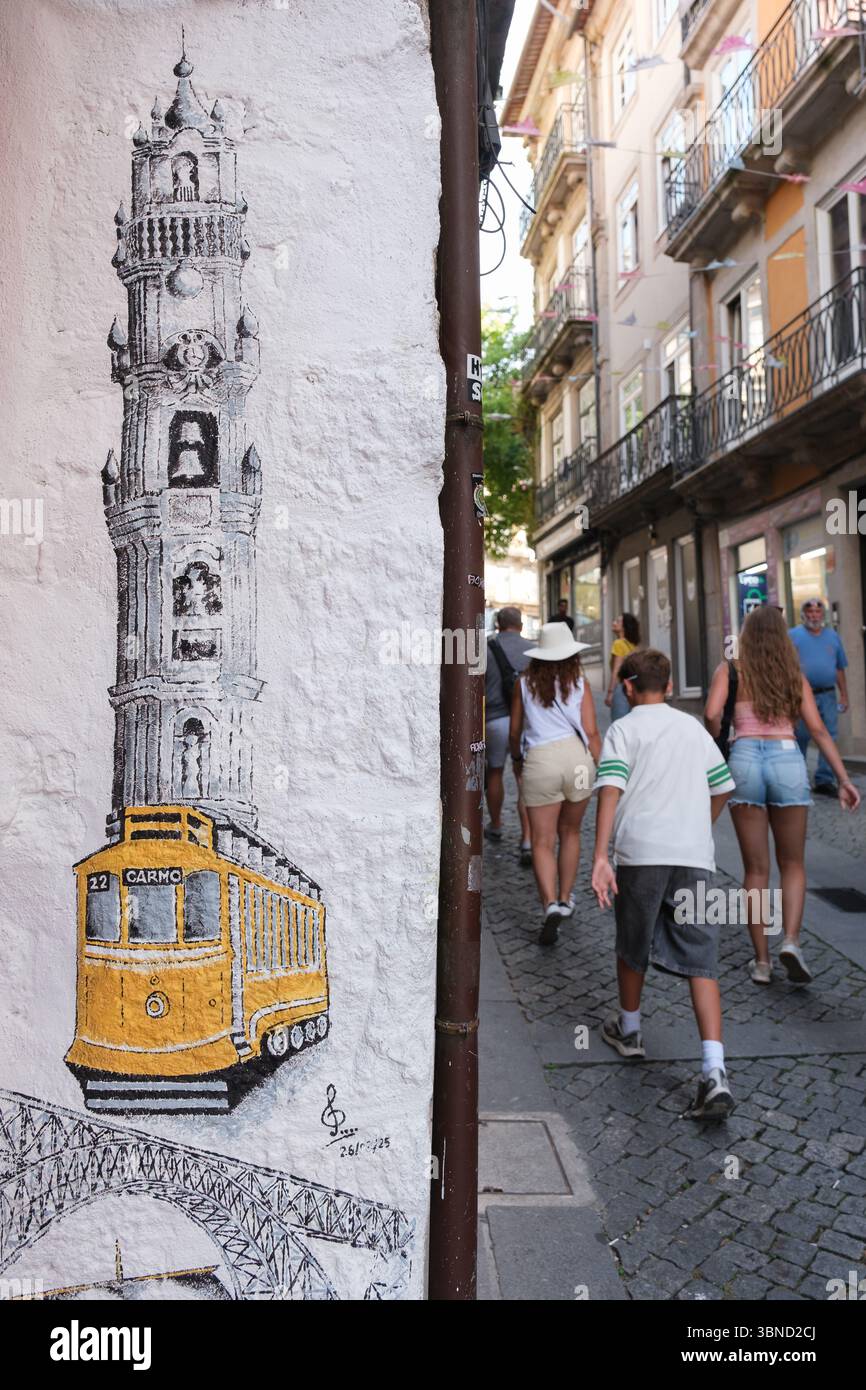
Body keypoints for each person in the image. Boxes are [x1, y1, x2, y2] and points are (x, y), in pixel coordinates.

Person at [591, 649, 737, 1121]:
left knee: (631, 942)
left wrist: (601, 855)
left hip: (642, 853)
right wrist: (700, 826)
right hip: (693, 855)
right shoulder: (693, 729)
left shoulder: (623, 730)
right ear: (669, 686)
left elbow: (610, 788)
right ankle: (714, 1069)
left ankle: (630, 1029)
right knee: (702, 960)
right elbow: (723, 786)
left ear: (628, 688)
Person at [705, 605, 860, 987]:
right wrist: (843, 778)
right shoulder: (793, 674)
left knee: (755, 870)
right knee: (792, 864)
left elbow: (711, 712)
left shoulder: (732, 669)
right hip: (788, 759)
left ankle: (761, 961)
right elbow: (819, 730)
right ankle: (790, 940)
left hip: (744, 761)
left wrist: (720, 737)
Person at [510, 622, 601, 944]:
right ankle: (565, 898)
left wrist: (517, 762)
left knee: (542, 840)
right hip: (577, 761)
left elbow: (515, 731)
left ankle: (549, 904)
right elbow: (590, 731)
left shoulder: (524, 683)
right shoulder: (579, 681)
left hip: (542, 762)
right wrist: (601, 768)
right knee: (571, 833)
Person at [484, 607, 533, 864]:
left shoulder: (486, 647)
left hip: (494, 719)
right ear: (521, 625)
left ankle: (496, 824)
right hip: (525, 720)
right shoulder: (533, 649)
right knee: (523, 777)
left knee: (494, 771)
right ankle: (527, 839)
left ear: (498, 624)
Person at [788, 597, 849, 796]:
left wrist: (844, 695)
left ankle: (824, 780)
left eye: (818, 612)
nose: (814, 616)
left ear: (822, 615)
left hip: (828, 695)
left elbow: (840, 668)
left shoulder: (832, 636)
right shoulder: (793, 635)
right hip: (802, 695)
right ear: (804, 615)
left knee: (829, 735)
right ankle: (799, 777)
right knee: (801, 736)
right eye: (810, 612)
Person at [605, 611, 641, 721]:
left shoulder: (618, 643)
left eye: (618, 621)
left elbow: (616, 670)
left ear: (624, 627)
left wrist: (610, 692)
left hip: (621, 689)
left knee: (619, 723)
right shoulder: (634, 645)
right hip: (635, 687)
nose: (614, 623)